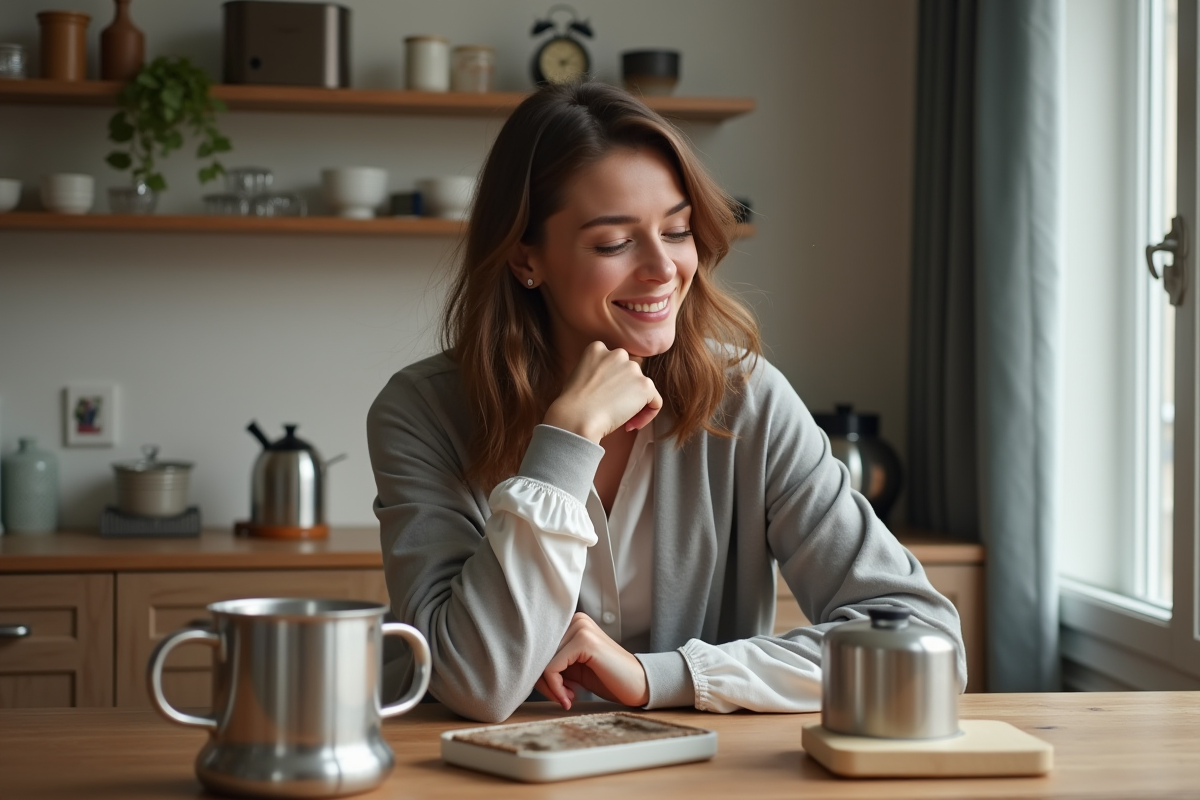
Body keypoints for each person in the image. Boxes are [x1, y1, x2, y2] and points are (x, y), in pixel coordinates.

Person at [368, 81, 965, 723]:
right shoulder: (421, 413)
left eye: (677, 230)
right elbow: (473, 682)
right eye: (613, 243)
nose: (663, 268)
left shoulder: (749, 399)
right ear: (524, 257)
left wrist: (660, 677)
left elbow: (922, 642)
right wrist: (565, 444)